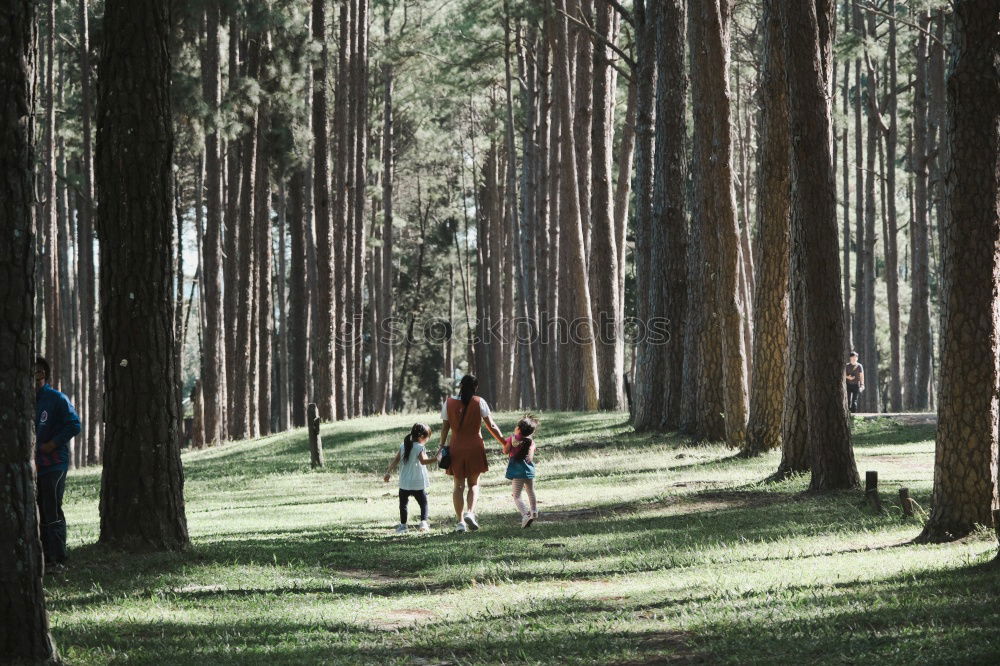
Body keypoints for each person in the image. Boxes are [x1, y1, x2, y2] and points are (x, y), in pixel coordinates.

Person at [439, 375, 505, 532]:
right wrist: (504, 442)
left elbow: (445, 428)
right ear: (475, 387)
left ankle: (460, 522)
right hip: (475, 446)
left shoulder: (448, 403)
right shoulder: (479, 402)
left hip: (456, 447)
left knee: (458, 486)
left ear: (460, 386)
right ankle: (470, 512)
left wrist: (442, 445)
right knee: (474, 484)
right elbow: (492, 426)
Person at [34, 356, 82, 569]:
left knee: (51, 508)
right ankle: (42, 557)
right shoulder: (22, 400)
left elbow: (74, 424)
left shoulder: (57, 399)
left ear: (41, 373)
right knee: (36, 510)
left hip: (54, 465)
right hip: (32, 467)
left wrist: (52, 444)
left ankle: (57, 558)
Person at [383, 423, 438, 533]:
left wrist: (388, 472)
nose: (427, 440)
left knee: (403, 505)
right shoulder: (419, 447)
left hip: (404, 482)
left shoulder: (403, 445)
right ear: (422, 437)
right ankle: (423, 523)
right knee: (423, 503)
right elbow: (424, 462)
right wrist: (437, 458)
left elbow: (395, 460)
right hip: (417, 482)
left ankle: (403, 526)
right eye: (428, 437)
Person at [502, 415, 539, 528]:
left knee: (517, 495)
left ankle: (525, 515)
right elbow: (531, 454)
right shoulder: (530, 442)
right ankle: (534, 511)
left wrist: (506, 445)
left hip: (518, 472)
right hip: (528, 470)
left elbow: (505, 451)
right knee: (530, 491)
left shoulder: (512, 439)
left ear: (518, 428)